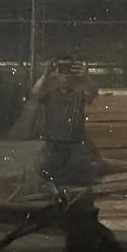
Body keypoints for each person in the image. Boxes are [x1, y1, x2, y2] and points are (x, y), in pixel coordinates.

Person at [33, 56, 99, 187]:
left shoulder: (79, 92)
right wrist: (46, 74)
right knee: (43, 166)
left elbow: (93, 94)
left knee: (81, 168)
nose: (65, 75)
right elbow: (36, 92)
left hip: (76, 144)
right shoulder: (49, 92)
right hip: (53, 144)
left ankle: (61, 183)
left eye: (69, 69)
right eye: (61, 69)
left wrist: (86, 77)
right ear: (56, 72)